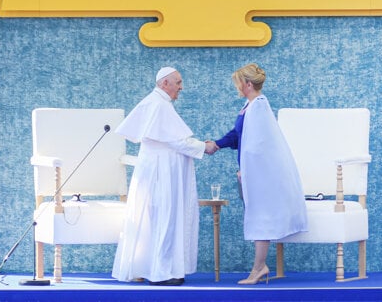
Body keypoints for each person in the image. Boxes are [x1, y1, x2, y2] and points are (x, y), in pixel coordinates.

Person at [112, 67, 216, 286]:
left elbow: (172, 137)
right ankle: (161, 273)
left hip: (160, 170)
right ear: (164, 83)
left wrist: (200, 146)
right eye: (178, 82)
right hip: (163, 173)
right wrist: (204, 146)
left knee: (159, 219)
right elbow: (176, 141)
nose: (181, 87)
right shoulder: (158, 105)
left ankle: (157, 269)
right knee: (165, 219)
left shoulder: (158, 103)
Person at [206, 63, 307, 285]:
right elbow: (238, 136)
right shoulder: (249, 106)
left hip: (261, 175)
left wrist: (246, 168)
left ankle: (259, 268)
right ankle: (259, 267)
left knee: (261, 217)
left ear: (248, 84)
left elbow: (259, 144)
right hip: (255, 174)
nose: (237, 88)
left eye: (239, 83)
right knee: (257, 216)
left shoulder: (259, 106)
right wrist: (217, 144)